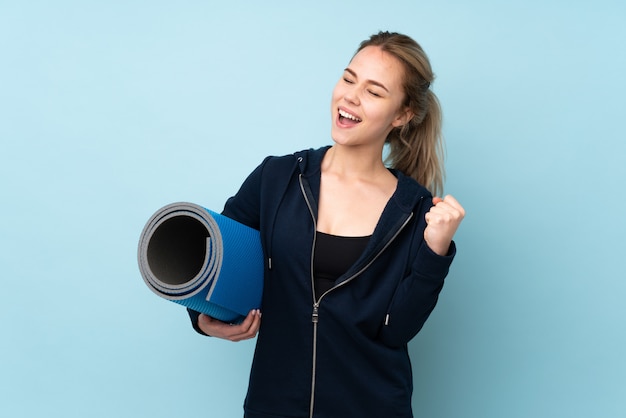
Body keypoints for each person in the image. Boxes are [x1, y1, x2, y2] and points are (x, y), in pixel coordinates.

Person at [188, 31, 465, 418]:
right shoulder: (276, 179)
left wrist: (435, 251)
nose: (350, 96)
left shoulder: (415, 211)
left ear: (402, 116)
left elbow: (397, 329)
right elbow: (217, 263)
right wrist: (204, 319)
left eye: (374, 91)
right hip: (274, 406)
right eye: (349, 78)